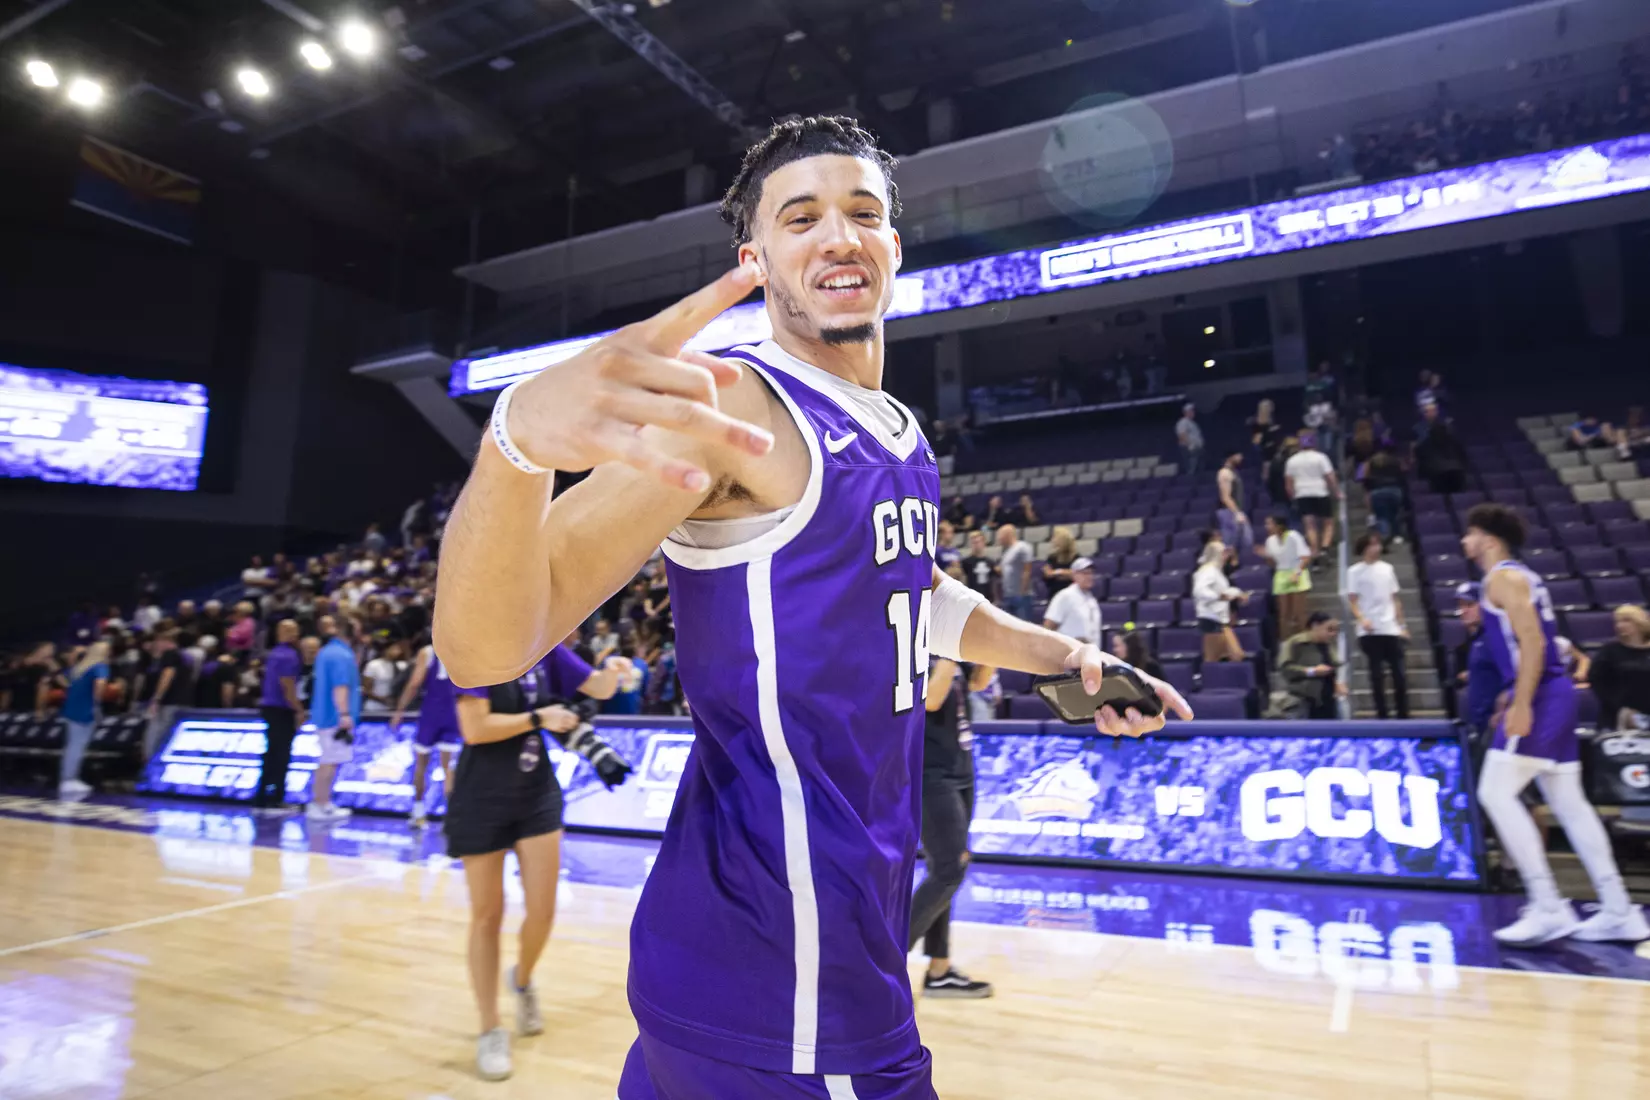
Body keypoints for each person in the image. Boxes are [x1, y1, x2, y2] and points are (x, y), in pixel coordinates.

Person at [434, 115, 1186, 1098]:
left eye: (863, 212)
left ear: (893, 246)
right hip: (785, 978)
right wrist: (517, 444)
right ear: (756, 260)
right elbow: (485, 644)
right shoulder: (732, 407)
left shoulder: (897, 429)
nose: (839, 234)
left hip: (783, 954)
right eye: (802, 218)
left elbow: (912, 592)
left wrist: (1060, 660)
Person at [1461, 504, 1649, 946]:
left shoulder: (1501, 577)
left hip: (1543, 695)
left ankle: (1547, 905)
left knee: (1493, 791)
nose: (1465, 542)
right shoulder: (1521, 576)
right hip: (1553, 693)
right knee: (1569, 803)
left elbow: (1531, 642)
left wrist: (1522, 700)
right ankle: (1619, 908)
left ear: (1489, 539)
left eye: (1470, 534)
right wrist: (1514, 691)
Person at [447, 644, 634, 1080]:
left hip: (536, 795)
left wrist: (613, 670)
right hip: (482, 797)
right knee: (487, 916)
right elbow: (474, 728)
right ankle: (490, 1027)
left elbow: (600, 687)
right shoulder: (473, 643)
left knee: (544, 910)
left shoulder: (546, 647)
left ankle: (524, 978)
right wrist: (538, 718)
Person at [909, 656, 993, 1001]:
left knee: (944, 870)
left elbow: (978, 683)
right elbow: (931, 699)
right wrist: (949, 651)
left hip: (960, 765)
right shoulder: (919, 642)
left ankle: (940, 970)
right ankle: (885, 958)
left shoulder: (950, 643)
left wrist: (989, 651)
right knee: (949, 868)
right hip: (930, 771)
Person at [1346, 533, 1409, 719]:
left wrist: (1402, 625)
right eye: (1373, 545)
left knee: (1399, 675)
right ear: (1365, 547)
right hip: (1370, 630)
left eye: (1378, 544)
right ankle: (1382, 714)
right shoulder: (1354, 571)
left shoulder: (1387, 568)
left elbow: (1395, 599)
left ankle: (1403, 714)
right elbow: (1352, 600)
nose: (1377, 548)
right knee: (1376, 675)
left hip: (1390, 628)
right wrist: (1361, 619)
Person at [306, 618, 362, 823]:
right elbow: (341, 686)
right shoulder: (342, 655)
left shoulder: (327, 651)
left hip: (325, 715)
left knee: (329, 760)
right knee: (329, 762)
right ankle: (319, 804)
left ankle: (324, 803)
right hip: (334, 717)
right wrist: (344, 713)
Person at [254, 620, 305, 811]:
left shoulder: (274, 653)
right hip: (282, 709)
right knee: (281, 754)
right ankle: (276, 797)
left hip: (269, 707)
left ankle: (262, 796)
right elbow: (287, 686)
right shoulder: (289, 656)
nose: (292, 633)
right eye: (287, 630)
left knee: (271, 753)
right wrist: (299, 709)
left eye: (294, 629)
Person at [58, 641, 109, 798]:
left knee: (72, 745)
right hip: (85, 711)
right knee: (77, 746)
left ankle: (68, 778)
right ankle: (69, 779)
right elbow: (100, 684)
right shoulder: (100, 667)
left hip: (70, 709)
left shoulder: (79, 668)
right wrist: (97, 701)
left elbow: (61, 678)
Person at [1589, 604, 1650, 729]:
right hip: (1617, 715)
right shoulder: (1609, 651)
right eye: (1617, 621)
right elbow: (1598, 683)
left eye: (1626, 620)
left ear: (1640, 622)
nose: (1619, 625)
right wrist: (1622, 708)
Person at [1278, 613, 1344, 720]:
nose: (1333, 634)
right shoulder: (1296, 643)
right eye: (1329, 629)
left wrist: (1337, 683)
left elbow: (1333, 667)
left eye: (1336, 630)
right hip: (1302, 700)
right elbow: (1285, 669)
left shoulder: (1328, 646)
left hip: (1328, 699)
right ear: (1315, 626)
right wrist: (1311, 671)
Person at [1285, 433, 1339, 562]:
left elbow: (1288, 482)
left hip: (1302, 494)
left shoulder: (1292, 460)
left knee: (1310, 525)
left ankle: (1315, 551)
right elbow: (1330, 476)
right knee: (1328, 522)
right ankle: (1325, 549)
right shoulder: (1321, 457)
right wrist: (1337, 492)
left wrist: (1293, 496)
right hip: (1321, 492)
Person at [1258, 513, 1312, 640]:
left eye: (1269, 523)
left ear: (1279, 526)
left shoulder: (1294, 536)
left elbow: (1305, 557)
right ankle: (1286, 644)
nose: (1266, 526)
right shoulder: (1269, 541)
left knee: (1299, 613)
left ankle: (1303, 641)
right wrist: (1266, 556)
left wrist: (1297, 573)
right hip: (1281, 575)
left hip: (1297, 572)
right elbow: (1273, 563)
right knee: (1284, 614)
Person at [1192, 541, 1247, 663]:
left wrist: (1238, 594)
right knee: (1213, 659)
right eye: (1223, 553)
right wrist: (1218, 596)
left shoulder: (1216, 571)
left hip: (1219, 620)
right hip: (1211, 619)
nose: (1226, 556)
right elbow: (1199, 591)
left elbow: (1224, 590)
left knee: (1234, 655)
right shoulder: (1208, 570)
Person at [140, 631, 189, 759]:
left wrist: (157, 698)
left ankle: (152, 762)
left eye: (157, 642)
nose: (155, 645)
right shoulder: (180, 656)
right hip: (176, 701)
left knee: (158, 732)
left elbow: (167, 674)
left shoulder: (170, 655)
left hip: (168, 702)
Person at [1042, 557, 1101, 644]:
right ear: (1074, 575)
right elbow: (1048, 626)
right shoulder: (1065, 596)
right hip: (1068, 653)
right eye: (1085, 573)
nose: (1089, 576)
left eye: (1091, 573)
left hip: (1090, 653)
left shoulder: (1091, 599)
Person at [1363, 447, 1405, 543]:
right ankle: (1396, 535)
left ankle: (1383, 536)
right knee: (1394, 515)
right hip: (1394, 491)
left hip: (1377, 491)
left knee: (1381, 516)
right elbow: (1402, 475)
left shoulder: (1370, 463)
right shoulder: (1395, 461)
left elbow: (1365, 480)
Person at [1215, 450, 1252, 553]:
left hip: (1235, 511)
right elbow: (1225, 497)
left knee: (1245, 541)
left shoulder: (1234, 472)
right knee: (1232, 543)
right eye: (1238, 455)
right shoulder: (1224, 473)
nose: (1241, 457)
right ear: (1230, 457)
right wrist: (1237, 513)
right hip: (1228, 512)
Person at [996, 524, 1034, 621]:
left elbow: (1027, 570)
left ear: (1008, 534)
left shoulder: (1022, 547)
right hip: (1008, 595)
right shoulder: (1006, 552)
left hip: (1021, 596)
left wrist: (1022, 592)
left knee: (1024, 626)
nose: (998, 538)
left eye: (1000, 535)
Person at [959, 529, 999, 603]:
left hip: (988, 599)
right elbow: (962, 580)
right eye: (973, 542)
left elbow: (995, 582)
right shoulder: (966, 562)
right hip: (972, 599)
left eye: (978, 542)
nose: (976, 545)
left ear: (983, 542)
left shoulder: (991, 562)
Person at [1041, 526, 1079, 599]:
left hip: (1072, 595)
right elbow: (1048, 576)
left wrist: (1056, 572)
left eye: (1054, 537)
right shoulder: (1051, 558)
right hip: (1055, 594)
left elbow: (1075, 574)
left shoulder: (1076, 558)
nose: (1052, 540)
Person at [1175, 403, 1204, 475]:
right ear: (1186, 412)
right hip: (1188, 448)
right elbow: (1182, 435)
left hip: (1196, 448)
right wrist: (1190, 445)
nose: (1193, 413)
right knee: (1191, 468)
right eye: (1190, 411)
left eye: (1193, 411)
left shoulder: (1193, 423)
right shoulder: (1183, 422)